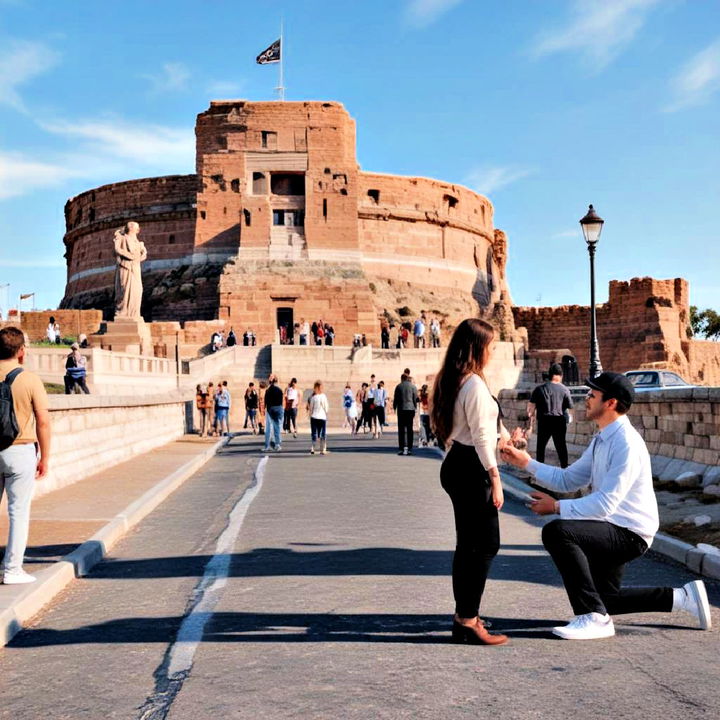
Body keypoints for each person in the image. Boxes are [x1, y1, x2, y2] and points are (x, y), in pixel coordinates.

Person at [501, 371, 712, 640]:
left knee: (557, 532)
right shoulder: (603, 438)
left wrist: (556, 508)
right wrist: (524, 463)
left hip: (630, 533)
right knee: (606, 599)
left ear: (610, 403)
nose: (586, 399)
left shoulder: (626, 443)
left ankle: (593, 619)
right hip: (612, 526)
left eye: (592, 395)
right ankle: (683, 598)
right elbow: (569, 479)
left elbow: (605, 503)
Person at [430, 318, 510, 645]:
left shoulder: (457, 379)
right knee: (486, 544)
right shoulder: (474, 384)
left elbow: (478, 430)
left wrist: (504, 439)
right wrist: (496, 478)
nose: (492, 352)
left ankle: (464, 615)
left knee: (469, 545)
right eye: (489, 346)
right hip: (471, 467)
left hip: (458, 463)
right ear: (477, 348)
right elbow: (478, 436)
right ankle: (467, 619)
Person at [0, 326, 51, 585]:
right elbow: (43, 421)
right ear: (21, 351)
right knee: (18, 511)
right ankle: (12, 569)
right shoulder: (29, 379)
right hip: (19, 450)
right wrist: (45, 457)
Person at [528, 363, 574, 468]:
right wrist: (569, 418)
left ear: (550, 375)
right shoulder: (565, 389)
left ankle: (539, 470)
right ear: (560, 375)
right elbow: (570, 408)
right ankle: (564, 468)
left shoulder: (539, 389)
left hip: (544, 421)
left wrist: (530, 424)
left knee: (541, 446)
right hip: (559, 421)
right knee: (561, 446)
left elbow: (530, 408)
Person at [393, 372, 418, 455]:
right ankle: (410, 448)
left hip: (401, 409)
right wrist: (415, 407)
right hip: (410, 409)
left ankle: (401, 448)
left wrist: (394, 407)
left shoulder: (398, 386)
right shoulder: (413, 386)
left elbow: (395, 398)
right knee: (410, 429)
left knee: (401, 429)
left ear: (402, 378)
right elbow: (415, 398)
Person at [307, 381, 330, 455]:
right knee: (322, 433)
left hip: (314, 417)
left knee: (314, 433)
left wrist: (310, 416)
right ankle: (322, 449)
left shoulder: (313, 397)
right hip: (322, 417)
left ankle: (313, 448)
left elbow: (311, 408)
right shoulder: (324, 396)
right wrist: (326, 414)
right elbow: (326, 408)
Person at [263, 375, 284, 452]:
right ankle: (277, 444)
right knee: (277, 427)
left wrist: (266, 409)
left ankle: (267, 445)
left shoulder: (268, 390)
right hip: (278, 408)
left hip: (270, 408)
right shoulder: (279, 390)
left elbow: (266, 401)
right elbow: (281, 401)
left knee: (269, 427)